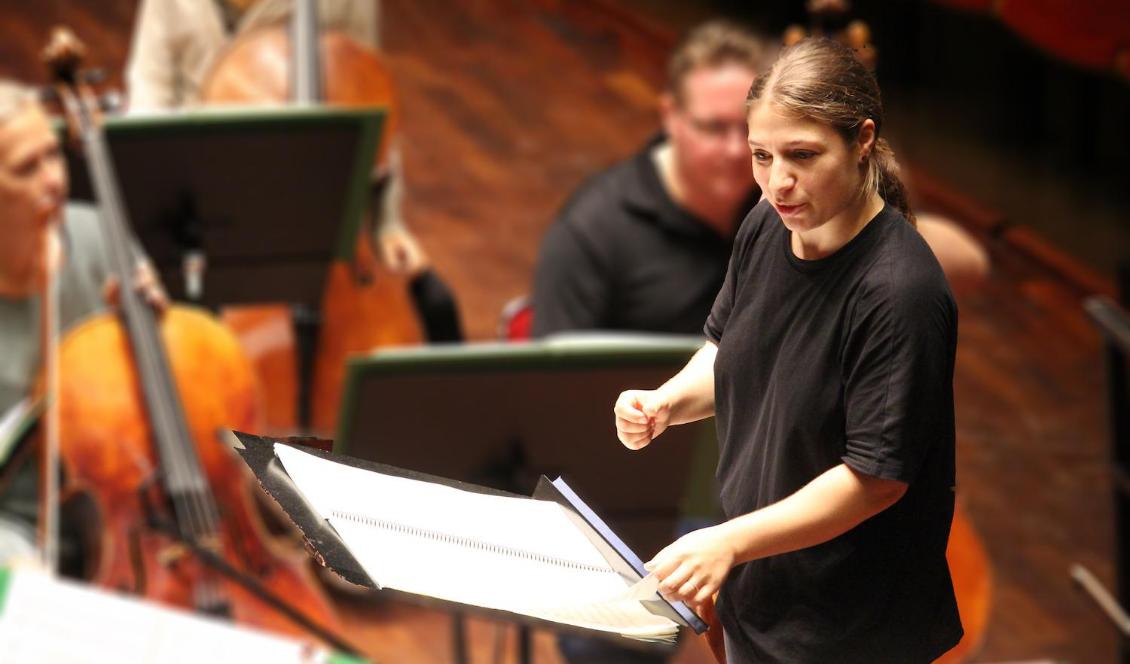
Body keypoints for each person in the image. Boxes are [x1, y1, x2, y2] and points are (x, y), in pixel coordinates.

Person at [614, 38, 962, 662]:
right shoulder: (771, 222)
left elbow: (875, 479)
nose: (779, 181)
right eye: (762, 155)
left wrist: (729, 542)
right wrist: (668, 400)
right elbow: (728, 348)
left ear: (862, 141)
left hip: (849, 629)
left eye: (803, 155)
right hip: (766, 587)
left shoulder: (898, 293)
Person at [125, 0, 462, 341]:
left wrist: (387, 223)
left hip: (322, 229)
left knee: (436, 308)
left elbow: (369, 97)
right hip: (202, 229)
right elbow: (146, 112)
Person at [0, 80, 164, 564]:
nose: (54, 180)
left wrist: (159, 337)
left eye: (53, 155)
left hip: (128, 508)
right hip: (19, 525)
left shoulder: (100, 236)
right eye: (26, 169)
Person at [531, 21, 766, 337]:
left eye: (750, 126)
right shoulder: (590, 231)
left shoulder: (786, 203)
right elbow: (554, 382)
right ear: (670, 115)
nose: (738, 149)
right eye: (714, 128)